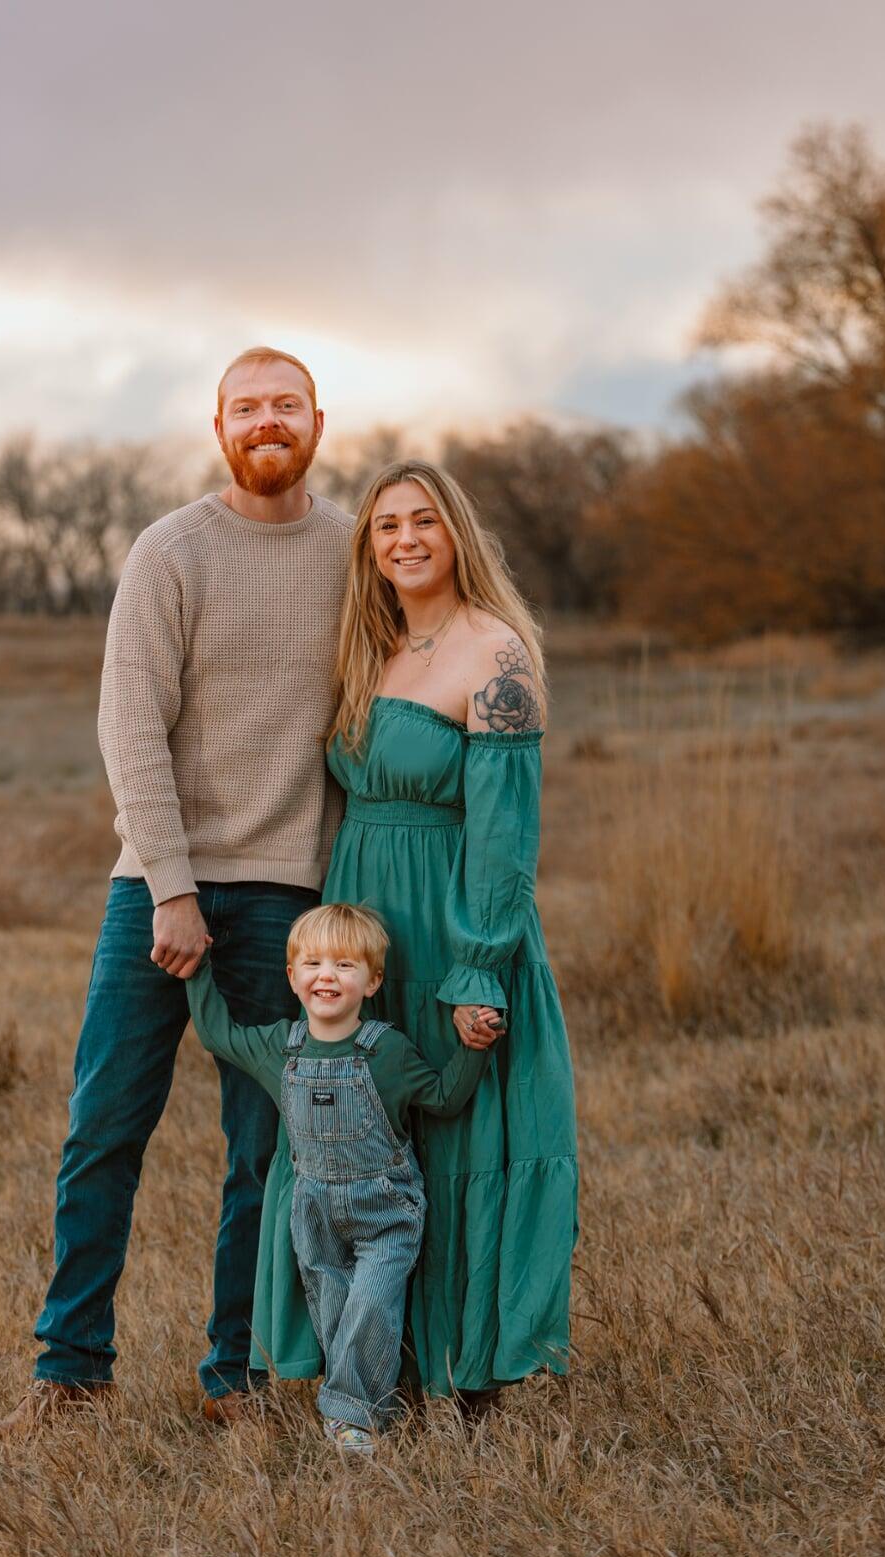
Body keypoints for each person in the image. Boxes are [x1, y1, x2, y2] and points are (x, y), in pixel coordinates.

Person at [0, 348, 354, 1436]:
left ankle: (233, 1378)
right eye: (247, 408)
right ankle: (70, 1373)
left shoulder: (353, 549)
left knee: (265, 1150)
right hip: (156, 891)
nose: (267, 422)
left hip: (289, 894)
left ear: (319, 422)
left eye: (284, 405)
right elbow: (128, 727)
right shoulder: (172, 550)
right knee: (104, 1125)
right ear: (218, 426)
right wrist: (169, 886)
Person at [250, 461, 579, 1417]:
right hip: (361, 914)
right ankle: (364, 1366)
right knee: (354, 1124)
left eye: (423, 521)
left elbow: (506, 838)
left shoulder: (496, 655)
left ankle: (466, 1369)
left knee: (454, 1125)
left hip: (448, 912)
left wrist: (480, 965)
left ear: (456, 533)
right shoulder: (370, 643)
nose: (403, 538)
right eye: (385, 524)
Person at [184, 902, 499, 1455]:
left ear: (373, 980)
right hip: (315, 1214)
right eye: (313, 963)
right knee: (336, 1318)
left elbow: (445, 1100)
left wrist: (472, 1050)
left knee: (373, 1304)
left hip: (387, 1210)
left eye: (345, 966)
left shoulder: (388, 1050)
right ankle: (374, 1408)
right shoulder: (278, 1047)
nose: (326, 975)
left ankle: (347, 1419)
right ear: (292, 975)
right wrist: (196, 970)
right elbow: (216, 1033)